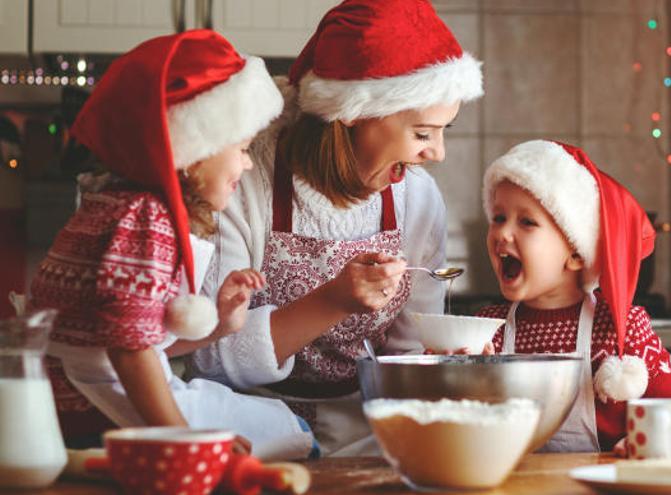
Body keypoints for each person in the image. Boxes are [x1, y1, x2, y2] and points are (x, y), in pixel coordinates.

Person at [187, 0, 483, 456]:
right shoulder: (244, 182)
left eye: (444, 132)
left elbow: (408, 351)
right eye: (423, 134)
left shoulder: (418, 199)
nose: (437, 153)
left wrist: (441, 365)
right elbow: (209, 355)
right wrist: (332, 301)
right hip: (248, 430)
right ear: (354, 112)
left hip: (371, 433)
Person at [28, 30, 316, 460]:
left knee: (284, 429)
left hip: (82, 403)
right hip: (96, 410)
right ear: (195, 152)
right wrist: (184, 441)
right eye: (240, 148)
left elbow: (140, 337)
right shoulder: (147, 218)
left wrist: (218, 324)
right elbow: (128, 350)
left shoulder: (119, 204)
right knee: (294, 433)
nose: (248, 161)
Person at [477, 139, 671, 453]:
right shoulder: (484, 328)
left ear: (576, 254)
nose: (503, 233)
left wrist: (644, 442)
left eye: (527, 222)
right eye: (498, 217)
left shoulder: (620, 329)